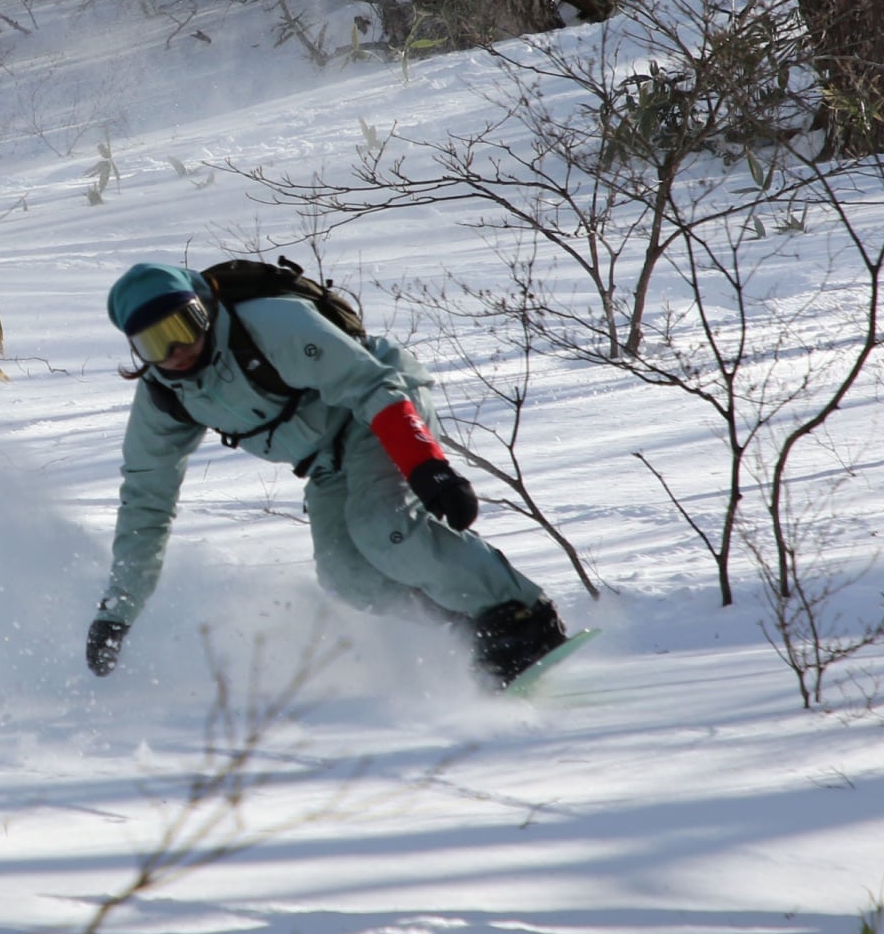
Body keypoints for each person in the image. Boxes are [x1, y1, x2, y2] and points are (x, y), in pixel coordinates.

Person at [84, 261, 567, 689]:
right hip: (324, 460)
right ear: (136, 349)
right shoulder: (164, 399)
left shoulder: (272, 326)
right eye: (155, 341)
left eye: (184, 325)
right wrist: (118, 613)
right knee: (347, 576)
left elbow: (372, 384)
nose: (178, 349)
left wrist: (427, 467)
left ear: (203, 309)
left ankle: (523, 615)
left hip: (375, 413)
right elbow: (146, 501)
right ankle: (475, 624)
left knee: (385, 527)